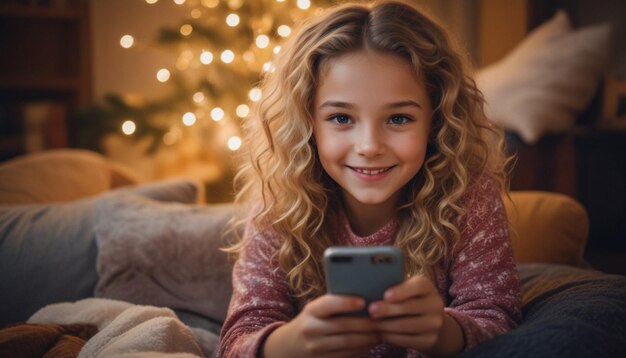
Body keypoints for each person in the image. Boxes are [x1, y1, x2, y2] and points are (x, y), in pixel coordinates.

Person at [218, 1, 522, 357]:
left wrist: (444, 332)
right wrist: (291, 343)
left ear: (437, 121)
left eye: (398, 119)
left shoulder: (467, 195)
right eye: (342, 118)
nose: (369, 146)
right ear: (307, 124)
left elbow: (497, 318)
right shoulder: (281, 203)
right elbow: (238, 340)